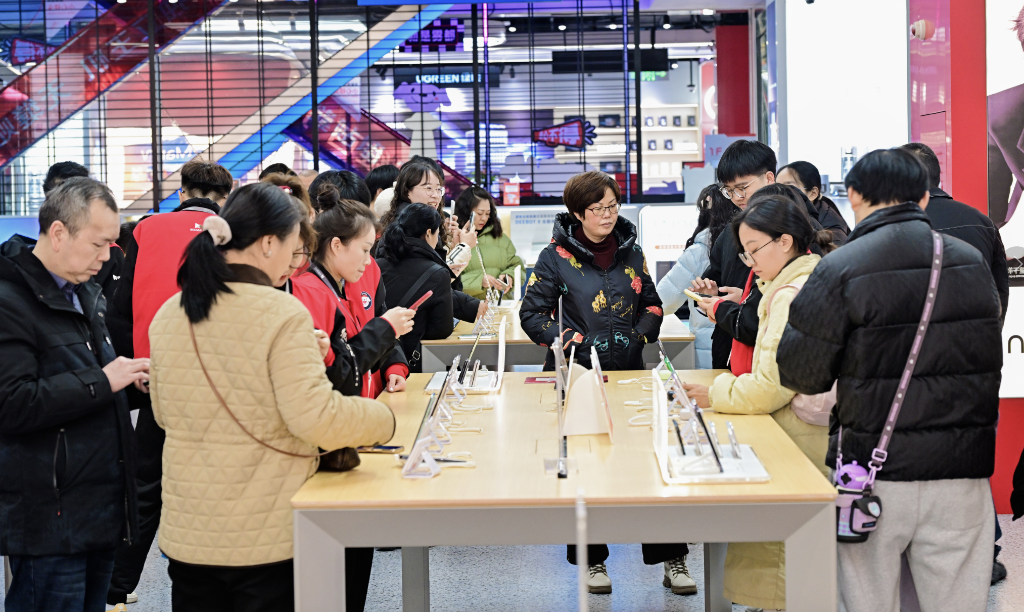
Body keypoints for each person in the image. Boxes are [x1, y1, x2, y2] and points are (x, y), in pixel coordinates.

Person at [148, 182, 395, 611]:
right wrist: (383, 420)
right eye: (293, 247)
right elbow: (317, 418)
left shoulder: (172, 312)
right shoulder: (282, 313)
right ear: (266, 244)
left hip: (190, 535)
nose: (296, 261)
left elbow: (166, 413)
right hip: (263, 537)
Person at [776, 148, 1002, 612]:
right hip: (962, 471)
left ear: (854, 194)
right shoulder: (969, 261)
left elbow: (801, 374)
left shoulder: (840, 266)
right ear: (923, 196)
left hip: (870, 471)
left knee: (866, 600)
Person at [519, 171, 692, 596]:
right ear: (578, 213)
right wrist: (569, 340)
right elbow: (532, 314)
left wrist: (641, 334)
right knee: (587, 466)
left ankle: (673, 557)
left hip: (631, 372)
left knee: (652, 462)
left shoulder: (632, 252)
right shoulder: (555, 256)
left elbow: (652, 302)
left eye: (612, 206)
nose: (607, 215)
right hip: (579, 377)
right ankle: (592, 561)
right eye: (597, 209)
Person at [0, 178, 150, 612]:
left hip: (97, 509)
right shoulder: (11, 301)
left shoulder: (84, 293)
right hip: (50, 518)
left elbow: (82, 385)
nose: (107, 257)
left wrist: (131, 384)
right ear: (60, 233)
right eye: (99, 244)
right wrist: (105, 381)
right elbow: (13, 403)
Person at [682, 194, 834, 611]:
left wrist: (713, 394)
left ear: (785, 241)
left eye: (753, 251)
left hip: (800, 437)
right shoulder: (806, 277)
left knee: (779, 564)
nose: (750, 263)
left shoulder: (788, 293)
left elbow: (772, 386)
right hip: (810, 431)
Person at [104, 159, 232, 608]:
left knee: (144, 486)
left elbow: (121, 306)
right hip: (219, 381)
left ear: (182, 192)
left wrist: (136, 365)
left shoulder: (145, 229)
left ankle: (117, 588)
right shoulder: (232, 231)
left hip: (157, 372)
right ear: (225, 198)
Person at [296, 185, 413, 396]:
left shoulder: (343, 280)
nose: (369, 261)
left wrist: (394, 364)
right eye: (365, 250)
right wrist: (386, 329)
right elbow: (339, 371)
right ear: (337, 245)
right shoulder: (310, 292)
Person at [691, 139, 777, 369]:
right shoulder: (729, 234)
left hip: (766, 355)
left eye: (742, 187)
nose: (737, 196)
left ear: (769, 179)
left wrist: (747, 300)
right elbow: (715, 280)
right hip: (726, 346)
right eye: (729, 191)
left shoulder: (789, 232)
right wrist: (708, 294)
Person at [900, 143, 1009, 323]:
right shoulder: (983, 223)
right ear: (937, 176)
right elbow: (1000, 291)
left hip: (914, 346)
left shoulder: (890, 228)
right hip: (974, 343)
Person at [379, 160, 485, 324]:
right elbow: (424, 281)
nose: (435, 195)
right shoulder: (406, 227)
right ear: (407, 191)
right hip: (410, 325)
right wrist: (464, 248)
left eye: (438, 189)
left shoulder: (418, 222)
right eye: (428, 188)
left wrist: (452, 246)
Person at [656, 184, 736, 368]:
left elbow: (663, 301)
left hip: (710, 347)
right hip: (744, 343)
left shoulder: (699, 252)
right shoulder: (748, 246)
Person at [376, 203, 457, 373]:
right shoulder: (438, 273)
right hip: (412, 363)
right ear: (429, 233)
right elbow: (441, 330)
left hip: (376, 358)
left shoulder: (377, 264)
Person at [453, 186, 524, 300]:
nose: (484, 218)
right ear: (466, 212)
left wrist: (509, 277)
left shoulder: (500, 237)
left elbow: (517, 265)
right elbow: (447, 280)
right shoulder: (454, 239)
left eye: (487, 213)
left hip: (502, 307)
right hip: (468, 310)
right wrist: (478, 281)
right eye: (480, 213)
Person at [777, 160, 850, 243]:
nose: (780, 194)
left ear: (813, 193)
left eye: (789, 188)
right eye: (777, 187)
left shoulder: (833, 233)